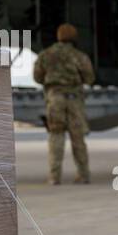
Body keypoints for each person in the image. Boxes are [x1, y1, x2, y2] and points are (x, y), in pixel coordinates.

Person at [33, 23, 95, 184]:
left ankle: (54, 176)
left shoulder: (46, 55)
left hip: (55, 99)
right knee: (78, 138)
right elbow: (90, 78)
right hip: (74, 100)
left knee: (56, 136)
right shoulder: (79, 56)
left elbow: (37, 77)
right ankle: (84, 175)